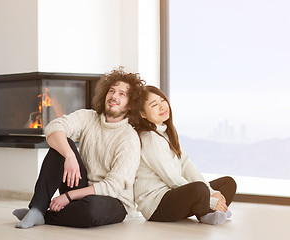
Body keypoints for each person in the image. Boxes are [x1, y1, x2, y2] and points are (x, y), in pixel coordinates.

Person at [13, 67, 145, 228]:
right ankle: (37, 209)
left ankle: (44, 216)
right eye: (112, 91)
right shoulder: (88, 117)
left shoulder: (129, 138)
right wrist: (69, 155)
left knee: (91, 209)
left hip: (113, 200)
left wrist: (68, 196)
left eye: (121, 94)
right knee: (62, 143)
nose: (114, 96)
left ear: (130, 105)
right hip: (81, 188)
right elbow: (53, 127)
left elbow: (113, 187)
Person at [133, 86, 237, 225]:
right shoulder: (150, 138)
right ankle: (207, 212)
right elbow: (172, 179)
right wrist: (211, 201)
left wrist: (211, 192)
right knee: (199, 189)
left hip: (174, 195)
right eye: (154, 105)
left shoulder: (167, 132)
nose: (162, 106)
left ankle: (207, 212)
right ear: (143, 114)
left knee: (228, 183)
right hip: (158, 205)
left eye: (162, 100)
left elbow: (186, 165)